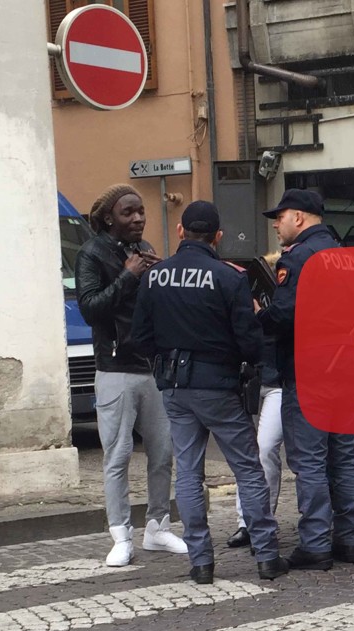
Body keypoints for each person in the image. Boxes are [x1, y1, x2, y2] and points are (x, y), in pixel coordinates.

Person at [130, 201, 288, 584]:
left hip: (175, 387)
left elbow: (140, 337)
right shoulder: (229, 277)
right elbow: (249, 342)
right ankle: (267, 556)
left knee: (188, 473)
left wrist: (166, 360)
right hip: (218, 386)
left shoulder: (154, 277)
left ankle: (200, 563)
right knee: (248, 470)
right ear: (217, 236)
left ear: (180, 231)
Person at [76, 184, 188, 567]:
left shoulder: (143, 250)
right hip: (115, 368)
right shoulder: (91, 254)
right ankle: (121, 535)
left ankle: (157, 526)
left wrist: (157, 275)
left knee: (162, 452)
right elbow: (90, 309)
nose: (139, 217)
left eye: (141, 211)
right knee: (118, 455)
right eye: (129, 212)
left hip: (151, 366)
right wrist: (128, 276)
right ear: (109, 218)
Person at [258, 189, 354, 570]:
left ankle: (316, 543)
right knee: (345, 457)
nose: (276, 224)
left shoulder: (298, 257)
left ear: (299, 218)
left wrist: (258, 315)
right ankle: (349, 539)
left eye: (280, 216)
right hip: (347, 368)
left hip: (310, 371)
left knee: (310, 461)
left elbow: (285, 314)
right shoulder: (347, 257)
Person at [228, 253, 285, 549]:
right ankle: (246, 521)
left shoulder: (283, 303)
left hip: (276, 381)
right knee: (247, 451)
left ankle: (261, 520)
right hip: (251, 379)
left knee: (265, 449)